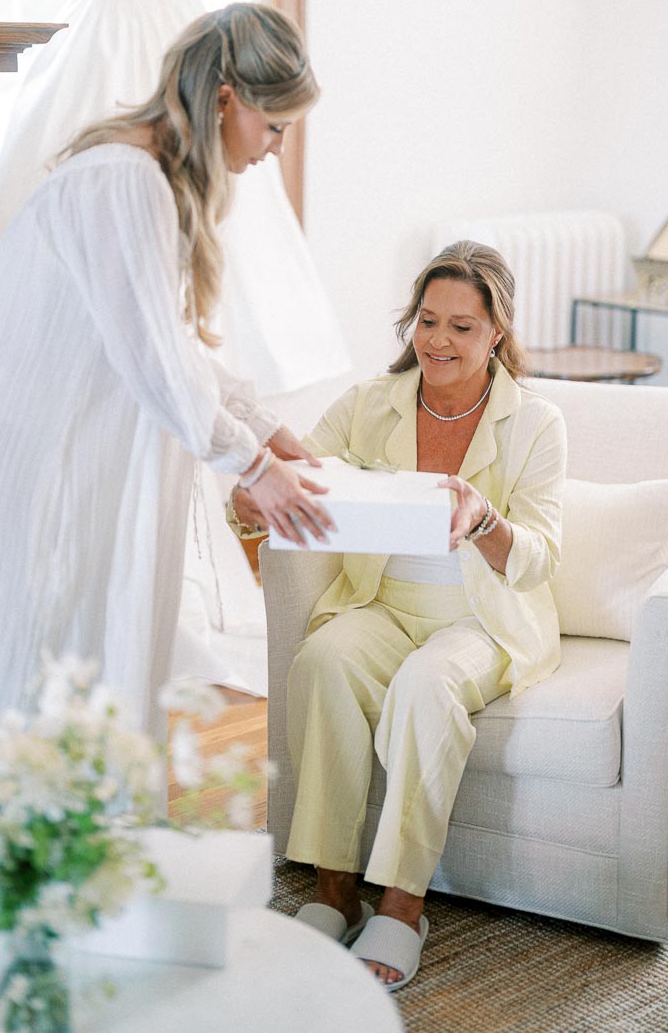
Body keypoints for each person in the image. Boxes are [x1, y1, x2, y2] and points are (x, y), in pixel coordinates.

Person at [0, 2, 335, 792]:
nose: (277, 151)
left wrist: (268, 429)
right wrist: (252, 466)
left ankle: (57, 879)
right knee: (1, 684)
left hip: (29, 457)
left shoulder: (148, 179)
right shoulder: (122, 179)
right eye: (276, 127)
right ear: (229, 98)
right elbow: (154, 360)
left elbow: (172, 345)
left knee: (53, 678)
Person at [231, 241, 566, 990]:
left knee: (425, 685)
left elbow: (541, 556)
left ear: (497, 335)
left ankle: (404, 905)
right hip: (381, 603)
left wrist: (485, 520)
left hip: (482, 618)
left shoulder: (537, 422)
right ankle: (332, 890)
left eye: (463, 327)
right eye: (427, 320)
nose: (439, 341)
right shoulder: (367, 403)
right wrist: (250, 496)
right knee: (321, 660)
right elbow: (297, 484)